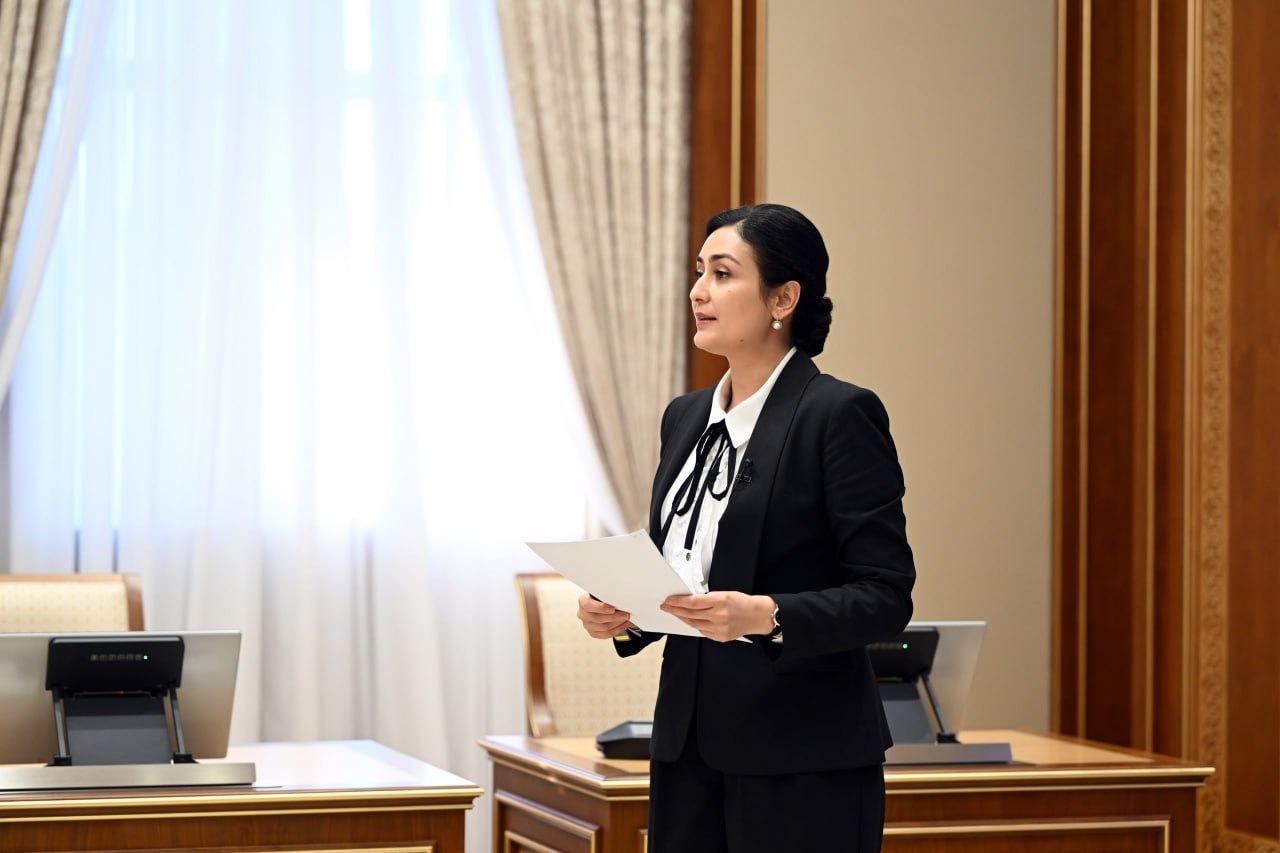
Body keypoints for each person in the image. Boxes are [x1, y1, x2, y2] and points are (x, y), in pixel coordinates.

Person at [576, 203, 916, 852]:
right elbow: (683, 568)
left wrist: (766, 615)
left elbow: (885, 594)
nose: (698, 291)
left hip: (802, 760)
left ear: (783, 298)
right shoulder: (684, 417)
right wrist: (625, 612)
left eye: (723, 273)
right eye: (699, 271)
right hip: (686, 750)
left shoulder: (838, 414)